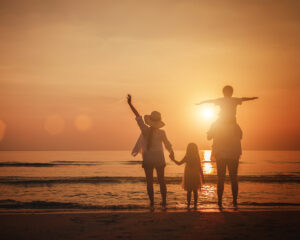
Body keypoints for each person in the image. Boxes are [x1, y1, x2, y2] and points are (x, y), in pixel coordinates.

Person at [127, 94, 174, 208]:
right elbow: (167, 144)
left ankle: (152, 203)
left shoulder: (144, 130)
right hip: (159, 157)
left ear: (150, 121)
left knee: (149, 182)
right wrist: (171, 153)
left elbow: (137, 116)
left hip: (148, 157)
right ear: (159, 122)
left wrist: (130, 104)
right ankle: (163, 202)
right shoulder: (162, 132)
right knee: (161, 180)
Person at [207, 121, 243, 207]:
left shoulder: (216, 124)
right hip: (233, 153)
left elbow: (208, 137)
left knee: (221, 178)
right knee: (233, 178)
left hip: (221, 154)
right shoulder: (235, 124)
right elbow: (240, 136)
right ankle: (234, 201)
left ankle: (219, 201)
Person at [170, 143, 205, 209]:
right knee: (195, 191)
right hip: (195, 175)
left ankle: (189, 205)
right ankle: (195, 205)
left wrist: (173, 159)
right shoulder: (196, 157)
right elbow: (200, 168)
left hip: (189, 175)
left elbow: (179, 163)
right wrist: (202, 177)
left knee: (189, 191)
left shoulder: (187, 156)